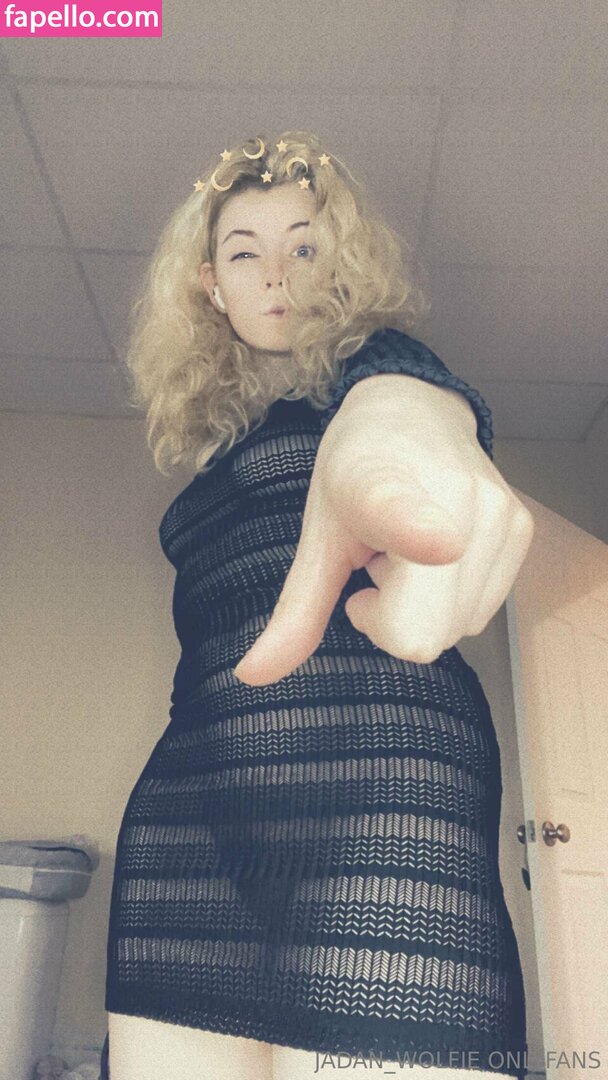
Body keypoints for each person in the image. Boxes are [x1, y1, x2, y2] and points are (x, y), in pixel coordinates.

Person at [100, 130, 534, 1080]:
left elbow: (408, 404)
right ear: (211, 285)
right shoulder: (217, 440)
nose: (276, 274)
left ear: (337, 264)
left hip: (376, 796)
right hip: (196, 811)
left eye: (304, 246)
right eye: (244, 253)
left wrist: (409, 419)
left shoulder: (371, 370)